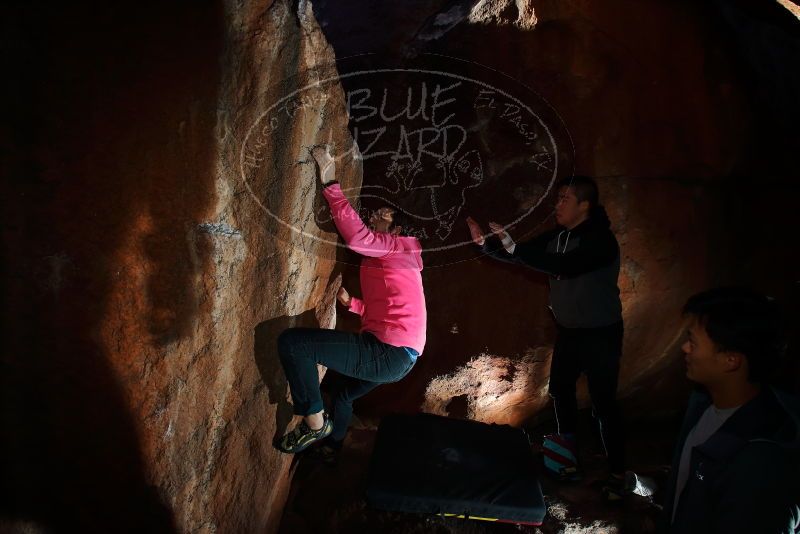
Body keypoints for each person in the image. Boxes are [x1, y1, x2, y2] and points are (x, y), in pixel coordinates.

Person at [466, 176, 625, 487]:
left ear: (585, 205)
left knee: (603, 402)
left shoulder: (601, 241)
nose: (557, 204)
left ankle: (617, 471)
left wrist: (515, 249)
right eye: (558, 198)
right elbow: (520, 255)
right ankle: (566, 461)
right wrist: (486, 244)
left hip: (601, 334)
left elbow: (565, 266)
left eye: (565, 198)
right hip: (570, 332)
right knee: (560, 392)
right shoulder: (558, 237)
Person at [275, 145, 427, 456]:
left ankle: (316, 424)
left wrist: (330, 181)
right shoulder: (401, 258)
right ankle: (333, 448)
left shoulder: (399, 247)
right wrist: (354, 305)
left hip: (389, 353)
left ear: (397, 230)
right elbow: (393, 306)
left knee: (294, 344)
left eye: (384, 216)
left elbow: (359, 239)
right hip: (401, 357)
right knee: (344, 396)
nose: (375, 216)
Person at [663, 287, 799, 533]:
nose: (684, 348)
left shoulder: (761, 463)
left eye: (693, 342)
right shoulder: (703, 402)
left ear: (731, 360)